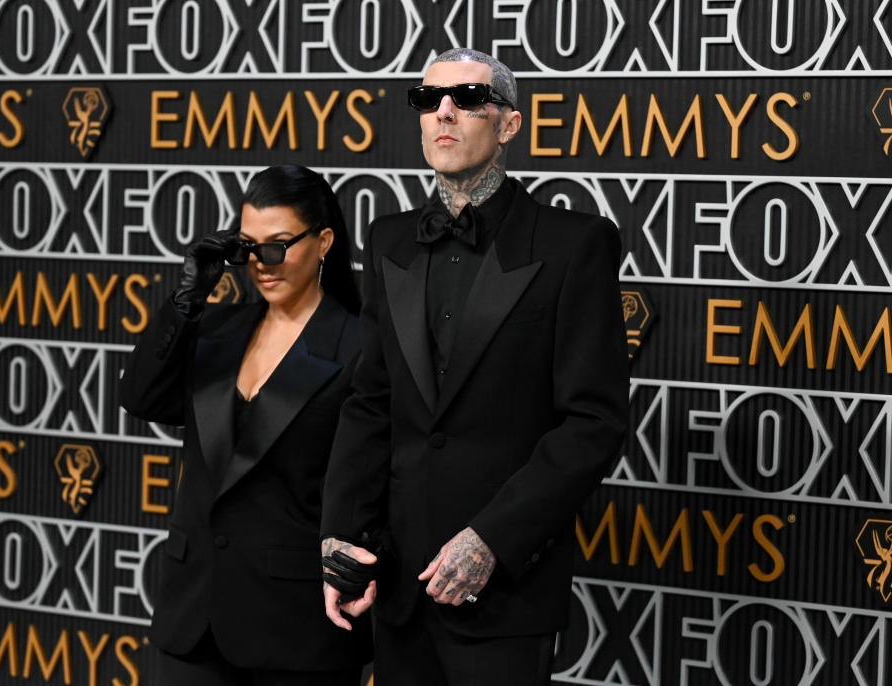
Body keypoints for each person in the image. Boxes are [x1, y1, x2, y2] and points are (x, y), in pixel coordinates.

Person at [320, 49, 630, 685]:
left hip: (505, 594)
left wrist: (491, 539)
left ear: (509, 125)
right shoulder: (388, 240)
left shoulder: (575, 245)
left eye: (466, 99)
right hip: (399, 587)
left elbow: (593, 423)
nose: (444, 113)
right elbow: (370, 401)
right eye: (428, 100)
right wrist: (342, 538)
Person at [120, 165, 370, 685]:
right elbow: (142, 396)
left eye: (278, 246)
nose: (263, 264)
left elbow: (373, 477)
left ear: (323, 241)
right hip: (193, 619)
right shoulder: (215, 328)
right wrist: (188, 301)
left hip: (295, 627)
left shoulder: (359, 347)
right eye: (249, 247)